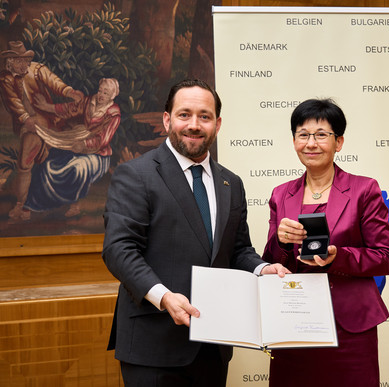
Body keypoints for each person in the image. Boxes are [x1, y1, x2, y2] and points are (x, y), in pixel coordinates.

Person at [102, 78, 290, 387]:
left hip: (213, 346)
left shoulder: (232, 183)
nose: (194, 124)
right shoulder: (136, 175)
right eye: (184, 114)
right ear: (167, 120)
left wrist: (262, 268)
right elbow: (119, 249)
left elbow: (238, 249)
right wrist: (163, 297)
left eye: (204, 116)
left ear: (217, 124)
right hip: (154, 346)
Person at [262, 98, 389, 386]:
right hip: (294, 322)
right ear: (294, 140)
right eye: (303, 134)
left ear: (339, 142)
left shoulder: (364, 189)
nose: (311, 143)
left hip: (348, 328)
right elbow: (272, 263)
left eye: (321, 134)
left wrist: (340, 256)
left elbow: (386, 256)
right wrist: (282, 242)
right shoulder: (280, 194)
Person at [0, 40, 83, 220]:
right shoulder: (6, 79)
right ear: (10, 62)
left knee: (62, 157)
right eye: (20, 61)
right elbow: (14, 104)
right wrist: (25, 119)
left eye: (26, 60)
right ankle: (22, 206)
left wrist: (70, 92)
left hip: (50, 121)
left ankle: (72, 202)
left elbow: (54, 82)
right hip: (29, 125)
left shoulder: (37, 69)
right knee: (26, 163)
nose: (25, 64)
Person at [27, 77, 121, 216]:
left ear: (113, 96)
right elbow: (70, 108)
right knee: (49, 161)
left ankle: (74, 204)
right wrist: (47, 107)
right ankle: (38, 203)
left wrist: (84, 144)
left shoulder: (113, 114)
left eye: (106, 93)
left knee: (77, 168)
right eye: (100, 91)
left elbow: (103, 140)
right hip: (76, 141)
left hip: (97, 154)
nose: (101, 95)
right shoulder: (90, 100)